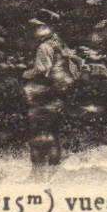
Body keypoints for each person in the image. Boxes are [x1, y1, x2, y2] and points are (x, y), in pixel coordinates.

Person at [21, 14, 77, 178]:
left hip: (44, 94)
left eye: (39, 27)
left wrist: (25, 74)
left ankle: (37, 175)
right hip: (59, 94)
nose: (36, 31)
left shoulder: (44, 47)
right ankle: (52, 174)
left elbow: (42, 69)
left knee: (38, 135)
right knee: (52, 134)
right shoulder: (59, 45)